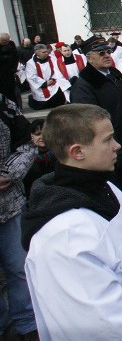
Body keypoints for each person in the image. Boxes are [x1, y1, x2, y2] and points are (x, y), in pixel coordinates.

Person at [21, 104, 122, 340]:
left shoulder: (105, 187)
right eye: (108, 139)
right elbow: (103, 321)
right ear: (78, 151)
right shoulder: (63, 235)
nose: (117, 145)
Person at [71, 36, 122, 205]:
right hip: (108, 147)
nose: (107, 55)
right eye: (101, 53)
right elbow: (88, 121)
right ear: (89, 57)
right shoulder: (84, 85)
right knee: (116, 193)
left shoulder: (115, 75)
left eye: (108, 51)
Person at [0, 93, 38, 341]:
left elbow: (27, 144)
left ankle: (27, 323)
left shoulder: (4, 105)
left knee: (20, 267)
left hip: (8, 206)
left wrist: (9, 173)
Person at [25, 44, 68, 111]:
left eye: (46, 51)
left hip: (53, 83)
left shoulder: (52, 58)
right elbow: (31, 77)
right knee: (42, 105)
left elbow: (58, 69)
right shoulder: (30, 63)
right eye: (43, 52)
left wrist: (53, 79)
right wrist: (44, 83)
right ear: (37, 53)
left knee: (60, 99)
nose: (46, 53)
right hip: (41, 87)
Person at [23, 119, 57, 198]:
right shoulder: (25, 159)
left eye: (45, 134)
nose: (42, 137)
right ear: (32, 137)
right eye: (38, 134)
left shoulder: (60, 155)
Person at [0, 32, 19, 104]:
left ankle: (15, 105)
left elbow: (16, 57)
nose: (6, 43)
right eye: (4, 42)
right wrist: (6, 57)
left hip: (10, 72)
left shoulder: (11, 44)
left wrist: (14, 69)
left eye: (7, 41)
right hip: (1, 73)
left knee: (12, 91)